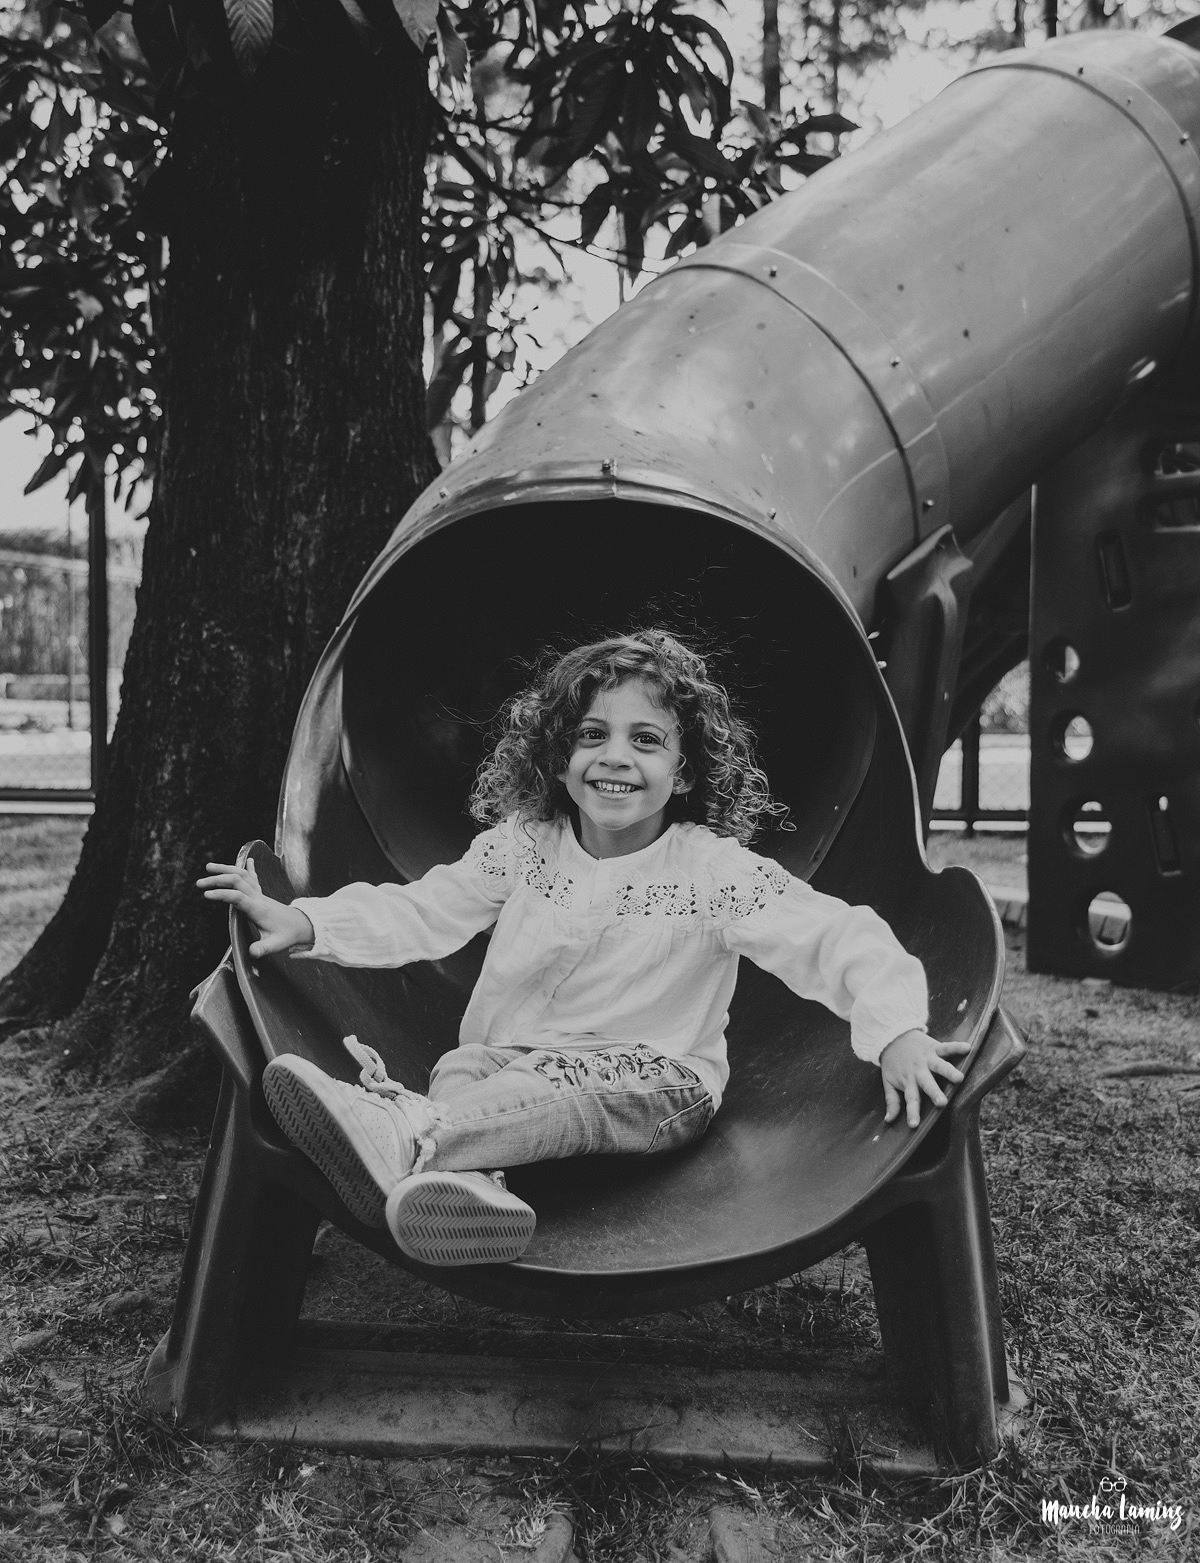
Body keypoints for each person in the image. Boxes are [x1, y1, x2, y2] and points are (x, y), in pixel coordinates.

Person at [198, 630, 969, 1269]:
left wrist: (896, 1029)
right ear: (559, 756)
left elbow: (833, 936)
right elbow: (426, 909)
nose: (614, 757)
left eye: (646, 740)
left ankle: (406, 1133)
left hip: (657, 1080)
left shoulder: (711, 872)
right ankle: (476, 1187)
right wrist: (310, 924)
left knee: (557, 1082)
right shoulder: (526, 848)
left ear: (683, 771)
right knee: (468, 1064)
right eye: (592, 735)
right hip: (519, 1062)